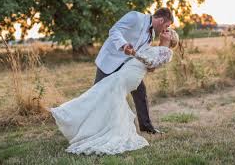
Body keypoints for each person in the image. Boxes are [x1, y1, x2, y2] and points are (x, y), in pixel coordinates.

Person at [50, 28, 179, 155]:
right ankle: (93, 126)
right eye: (165, 29)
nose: (164, 30)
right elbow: (151, 67)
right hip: (129, 70)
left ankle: (73, 115)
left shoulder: (168, 52)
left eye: (168, 31)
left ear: (172, 38)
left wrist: (134, 53)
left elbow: (151, 63)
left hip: (131, 74)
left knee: (103, 92)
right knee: (106, 94)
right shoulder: (155, 46)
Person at [94, 8, 174, 134]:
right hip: (109, 62)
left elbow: (141, 53)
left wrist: (149, 65)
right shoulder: (135, 17)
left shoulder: (151, 35)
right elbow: (114, 31)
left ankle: (146, 127)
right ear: (161, 20)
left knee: (140, 91)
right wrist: (124, 45)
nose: (165, 29)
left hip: (127, 67)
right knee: (96, 95)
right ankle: (94, 127)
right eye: (166, 26)